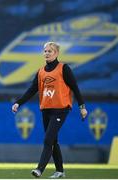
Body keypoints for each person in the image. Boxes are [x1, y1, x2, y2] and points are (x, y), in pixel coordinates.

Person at [12, 42, 87, 178]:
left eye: (50, 51)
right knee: (53, 141)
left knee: (48, 139)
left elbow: (75, 88)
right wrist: (18, 103)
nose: (46, 53)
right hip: (46, 110)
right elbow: (32, 90)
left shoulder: (64, 68)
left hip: (61, 110)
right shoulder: (41, 71)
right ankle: (60, 171)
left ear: (56, 53)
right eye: (45, 51)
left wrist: (82, 107)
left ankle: (39, 169)